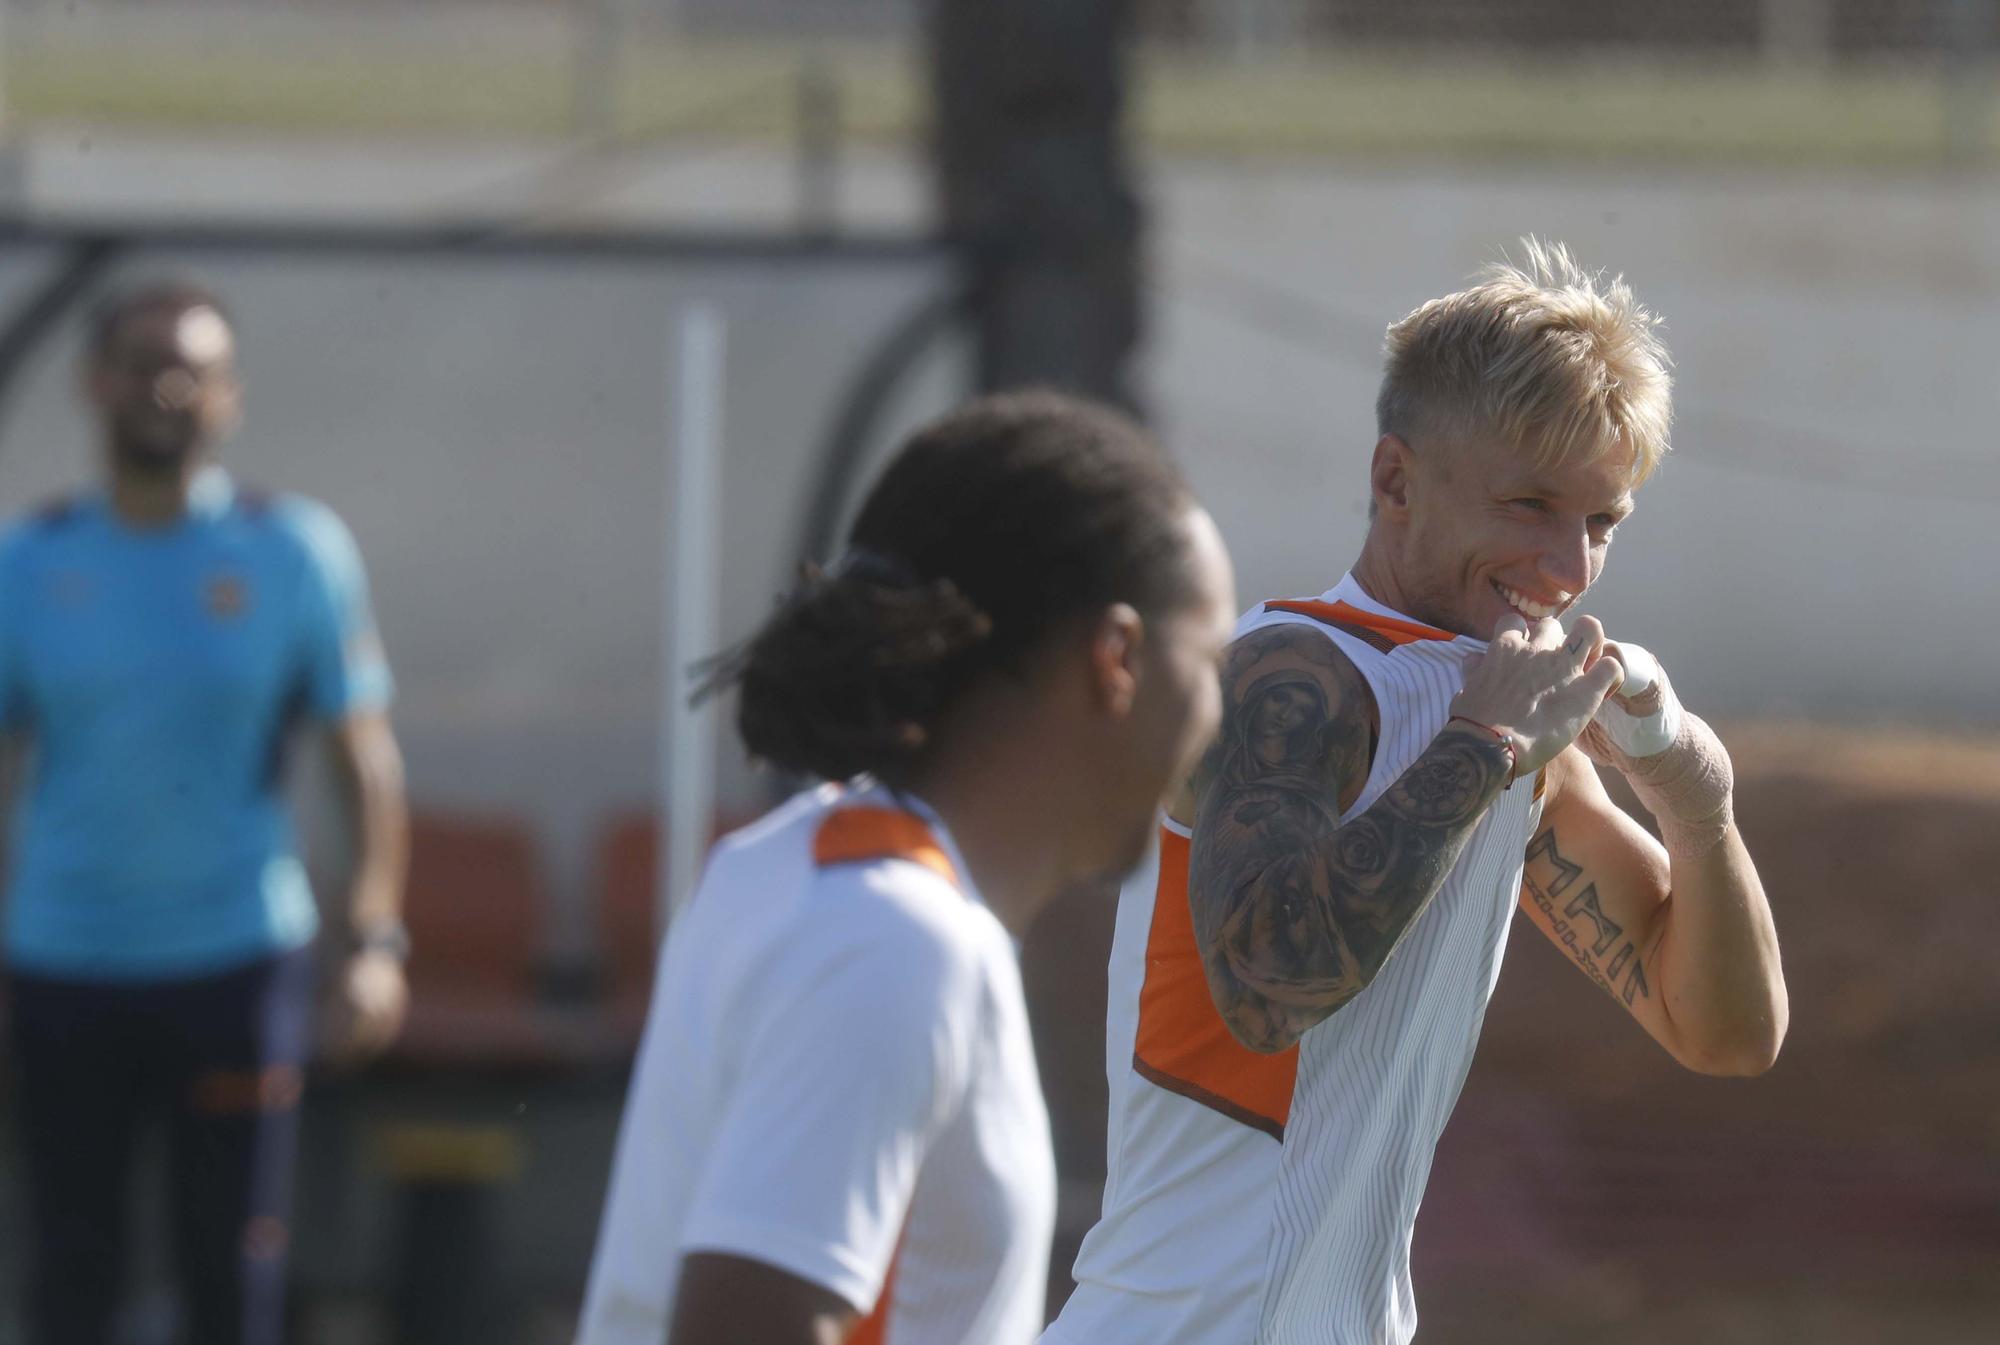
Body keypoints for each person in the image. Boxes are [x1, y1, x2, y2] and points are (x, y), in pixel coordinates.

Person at [1043, 241, 1789, 1345]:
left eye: (1600, 522)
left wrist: (1693, 797)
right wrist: (1484, 743)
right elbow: (1267, 986)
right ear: (1394, 479)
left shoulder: (1516, 725)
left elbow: (1724, 1033)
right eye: (1529, 503)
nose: (1568, 565)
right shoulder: (1288, 676)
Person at [576, 390, 1238, 1345]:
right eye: (1210, 659)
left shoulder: (796, 870)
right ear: (1118, 656)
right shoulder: (897, 941)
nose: (1216, 712)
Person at [0, 281, 410, 1345]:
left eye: (192, 369)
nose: (165, 388)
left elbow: (358, 756)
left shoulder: (293, 552)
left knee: (230, 1275)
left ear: (229, 396)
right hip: (65, 965)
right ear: (96, 385)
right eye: (140, 364)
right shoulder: (30, 562)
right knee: (70, 1273)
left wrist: (372, 938)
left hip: (232, 963)